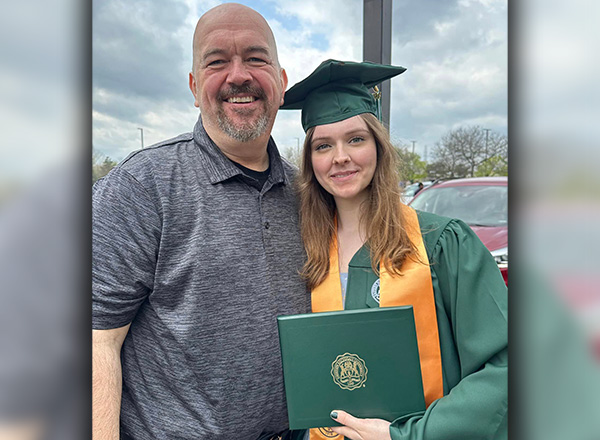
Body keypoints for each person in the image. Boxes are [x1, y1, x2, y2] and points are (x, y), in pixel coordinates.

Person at [92, 4, 310, 439]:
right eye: (216, 61)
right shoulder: (141, 185)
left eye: (255, 57)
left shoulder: (306, 194)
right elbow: (96, 340)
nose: (238, 75)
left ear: (282, 83)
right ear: (195, 87)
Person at [281, 59, 507, 440]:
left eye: (356, 139)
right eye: (323, 145)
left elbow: (504, 365)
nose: (340, 157)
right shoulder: (304, 247)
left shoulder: (442, 243)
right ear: (310, 161)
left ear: (378, 147)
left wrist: (408, 435)